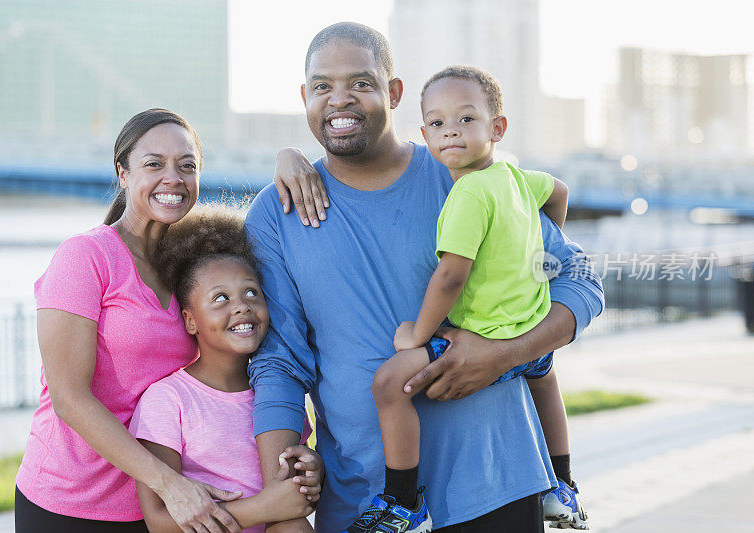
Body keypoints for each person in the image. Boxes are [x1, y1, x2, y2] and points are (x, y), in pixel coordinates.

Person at [246, 23, 604, 533]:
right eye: (322, 86)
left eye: (361, 83)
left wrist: (503, 353)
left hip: (496, 481)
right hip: (367, 501)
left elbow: (580, 281)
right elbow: (279, 363)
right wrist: (282, 504)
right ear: (305, 97)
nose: (340, 100)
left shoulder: (467, 176)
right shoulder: (276, 211)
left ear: (394, 93)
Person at [14, 109, 304, 533]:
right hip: (71, 500)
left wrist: (290, 157)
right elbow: (68, 397)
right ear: (123, 173)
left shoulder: (193, 268)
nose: (174, 177)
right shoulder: (85, 257)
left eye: (187, 166)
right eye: (154, 164)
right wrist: (170, 484)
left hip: (157, 509)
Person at [361, 65, 586, 532]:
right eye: (438, 124)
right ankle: (562, 487)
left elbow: (450, 278)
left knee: (389, 385)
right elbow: (559, 192)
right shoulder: (517, 178)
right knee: (545, 380)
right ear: (424, 134)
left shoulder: (468, 194)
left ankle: (403, 502)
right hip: (530, 330)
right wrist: (539, 246)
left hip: (482, 334)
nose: (451, 133)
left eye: (466, 120)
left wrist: (415, 335)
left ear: (496, 127)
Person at [129, 204, 323, 533]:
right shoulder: (167, 400)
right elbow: (160, 521)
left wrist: (313, 469)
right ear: (190, 320)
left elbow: (293, 488)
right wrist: (263, 507)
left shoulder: (276, 393)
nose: (241, 306)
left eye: (251, 292)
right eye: (220, 298)